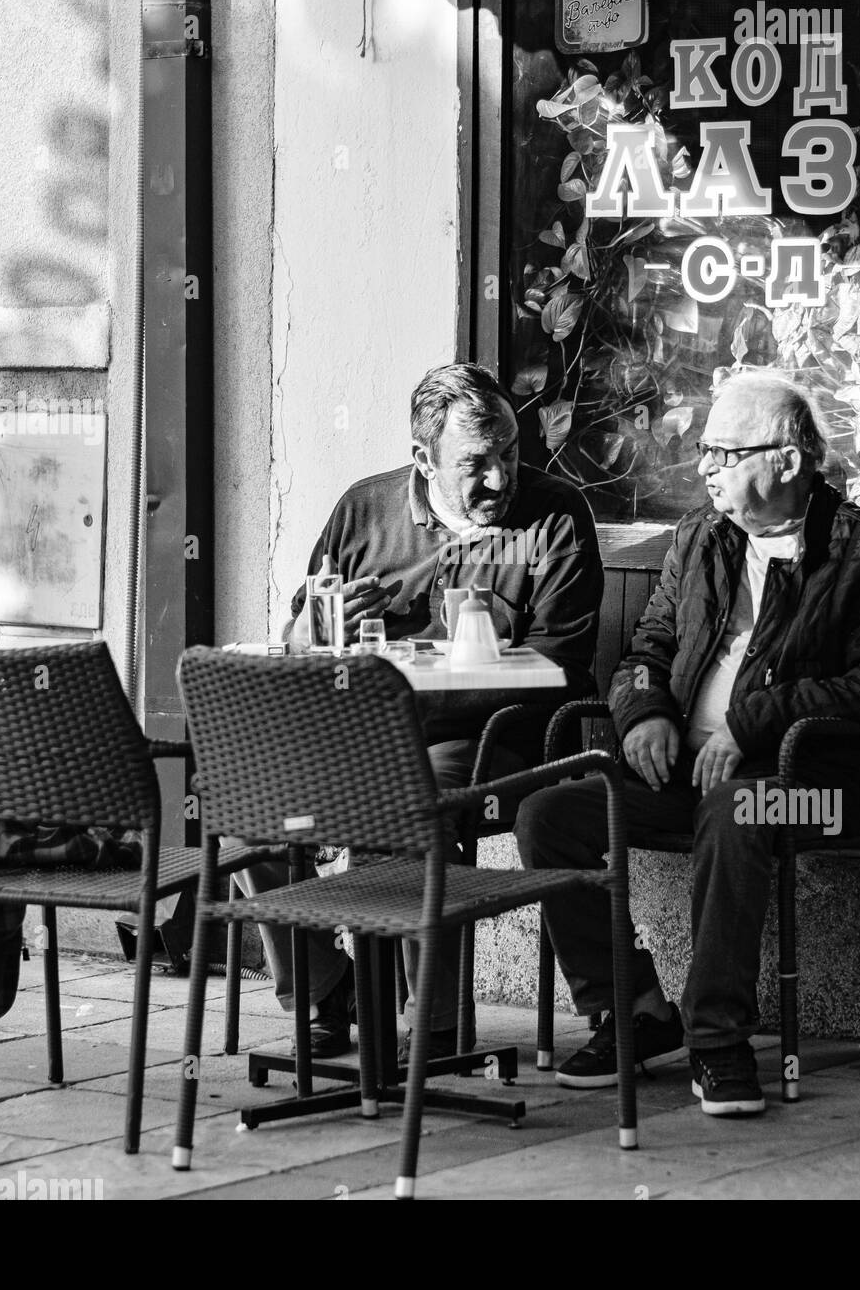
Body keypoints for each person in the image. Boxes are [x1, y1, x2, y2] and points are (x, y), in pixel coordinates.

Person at [516, 372, 860, 1114]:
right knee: (547, 816)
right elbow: (647, 646)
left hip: (814, 790)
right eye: (703, 450)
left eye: (723, 452)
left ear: (788, 462)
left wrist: (755, 720)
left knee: (739, 810)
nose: (703, 467)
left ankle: (718, 1040)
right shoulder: (700, 540)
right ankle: (637, 1007)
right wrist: (644, 713)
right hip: (686, 778)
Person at [235, 363, 602, 1060]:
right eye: (475, 464)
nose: (499, 479)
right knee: (251, 793)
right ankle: (325, 989)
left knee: (405, 791)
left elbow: (563, 667)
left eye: (510, 456)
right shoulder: (364, 509)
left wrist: (413, 697)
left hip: (489, 736)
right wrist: (322, 623)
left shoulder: (555, 515)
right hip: (358, 729)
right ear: (422, 458)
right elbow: (297, 630)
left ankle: (429, 1023)